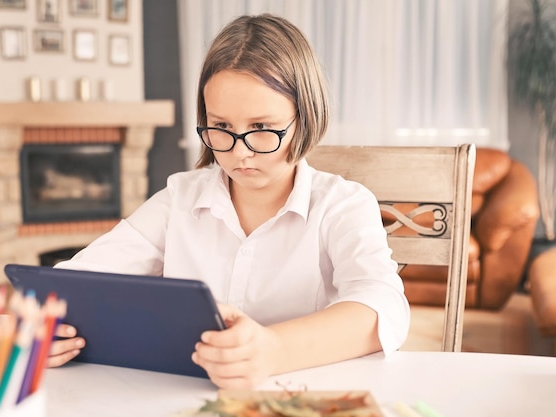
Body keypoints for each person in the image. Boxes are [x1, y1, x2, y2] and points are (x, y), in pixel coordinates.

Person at [49, 13, 410, 389]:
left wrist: (273, 349)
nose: (241, 153)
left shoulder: (343, 205)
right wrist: (46, 326)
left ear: (304, 119)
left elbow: (383, 306)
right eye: (221, 127)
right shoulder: (179, 198)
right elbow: (78, 281)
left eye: (261, 128)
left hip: (303, 398)